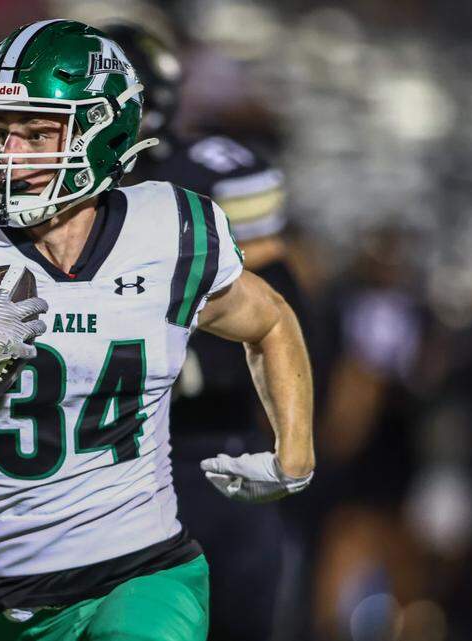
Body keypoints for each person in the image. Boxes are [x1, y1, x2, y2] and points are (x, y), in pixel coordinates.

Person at [0, 20, 315, 641]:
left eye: (38, 133)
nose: (10, 156)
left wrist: (296, 454)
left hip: (147, 572)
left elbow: (272, 320)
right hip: (12, 598)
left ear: (103, 132)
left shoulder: (170, 229)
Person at [102, 21, 313, 641]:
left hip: (209, 442)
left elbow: (279, 308)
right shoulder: (51, 192)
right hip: (101, 456)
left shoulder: (211, 174)